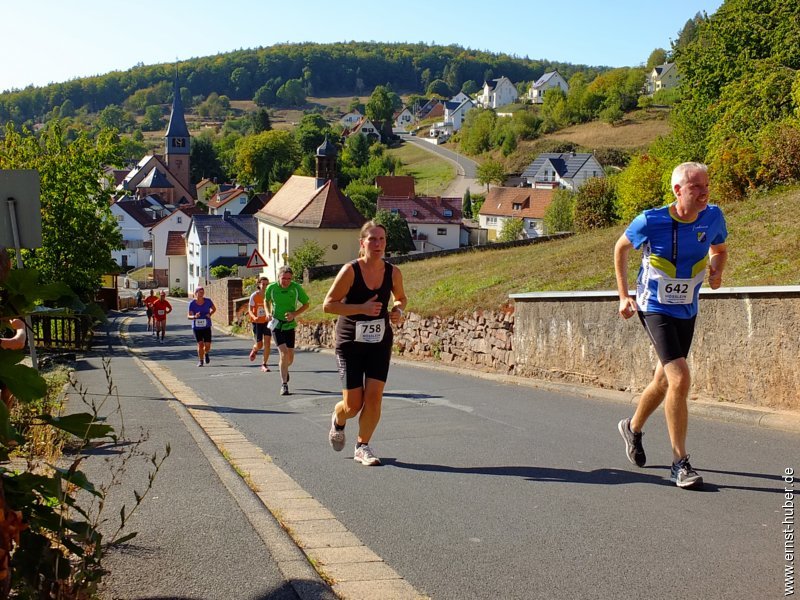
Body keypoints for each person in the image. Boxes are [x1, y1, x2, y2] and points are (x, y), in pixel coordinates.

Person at [614, 162, 728, 490]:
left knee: (664, 381)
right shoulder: (651, 220)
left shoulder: (713, 217)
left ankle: (632, 428)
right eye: (696, 188)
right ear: (678, 191)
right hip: (654, 308)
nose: (705, 192)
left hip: (686, 309)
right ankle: (680, 463)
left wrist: (717, 271)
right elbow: (620, 249)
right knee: (680, 377)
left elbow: (719, 249)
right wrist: (624, 296)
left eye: (707, 185)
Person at [323, 221, 407, 466]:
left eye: (381, 239)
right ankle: (338, 419)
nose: (378, 244)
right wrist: (362, 308)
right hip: (350, 341)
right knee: (352, 405)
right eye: (372, 239)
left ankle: (363, 446)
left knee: (374, 398)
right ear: (362, 243)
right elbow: (329, 305)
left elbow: (401, 298)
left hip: (379, 341)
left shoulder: (393, 272)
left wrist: (398, 310)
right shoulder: (350, 270)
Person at [265, 266, 310, 396]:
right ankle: (284, 385)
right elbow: (266, 300)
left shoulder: (295, 288)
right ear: (278, 277)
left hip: (289, 325)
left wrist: (294, 314)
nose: (286, 281)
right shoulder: (271, 288)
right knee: (283, 353)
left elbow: (306, 304)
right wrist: (268, 312)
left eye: (289, 279)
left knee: (290, 357)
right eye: (283, 278)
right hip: (277, 324)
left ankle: (284, 368)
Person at [247, 276, 273, 372]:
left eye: (267, 284)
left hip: (267, 322)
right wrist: (254, 317)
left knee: (267, 343)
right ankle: (255, 350)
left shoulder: (269, 295)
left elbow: (273, 307)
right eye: (263, 284)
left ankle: (264, 364)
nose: (265, 286)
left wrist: (270, 315)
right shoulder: (254, 295)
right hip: (257, 322)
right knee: (259, 344)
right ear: (259, 284)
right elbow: (249, 309)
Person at [188, 287, 216, 367]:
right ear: (196, 293)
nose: (201, 294)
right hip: (197, 327)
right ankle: (201, 361)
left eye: (202, 292)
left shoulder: (208, 301)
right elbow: (188, 316)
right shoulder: (192, 303)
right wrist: (194, 316)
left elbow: (214, 309)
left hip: (206, 326)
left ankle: (206, 352)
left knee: (207, 345)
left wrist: (209, 314)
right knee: (200, 344)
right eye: (200, 292)